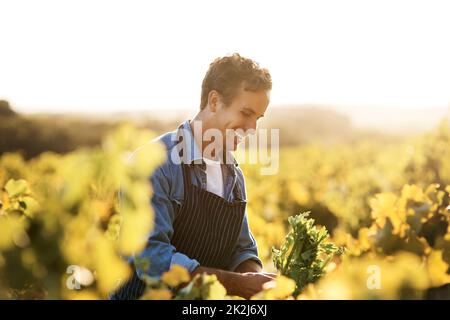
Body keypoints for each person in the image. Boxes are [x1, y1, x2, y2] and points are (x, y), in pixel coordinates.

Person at [111, 53, 275, 300]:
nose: (252, 128)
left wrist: (254, 280)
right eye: (246, 113)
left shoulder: (234, 175)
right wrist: (237, 285)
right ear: (214, 101)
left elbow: (242, 249)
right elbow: (153, 259)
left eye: (258, 118)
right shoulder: (156, 164)